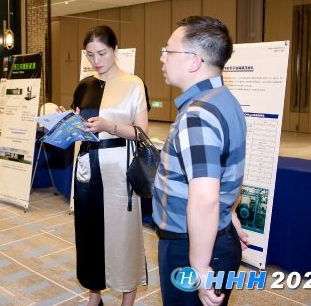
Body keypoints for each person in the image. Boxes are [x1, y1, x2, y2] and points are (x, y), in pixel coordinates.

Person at [152, 16, 250, 306]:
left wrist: (199, 267)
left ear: (194, 61)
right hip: (214, 236)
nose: (162, 58)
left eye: (168, 51)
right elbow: (227, 169)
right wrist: (228, 216)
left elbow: (205, 199)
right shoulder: (224, 99)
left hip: (191, 246)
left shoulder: (198, 115)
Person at [61, 25, 150, 306]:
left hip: (120, 169)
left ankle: (127, 300)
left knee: (124, 235)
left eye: (102, 53)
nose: (96, 60)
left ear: (115, 50)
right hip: (88, 166)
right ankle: (94, 297)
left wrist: (110, 126)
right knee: (89, 234)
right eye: (90, 55)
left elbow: (142, 133)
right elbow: (80, 126)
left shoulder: (133, 84)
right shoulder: (84, 85)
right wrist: (66, 122)